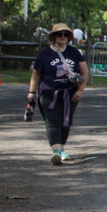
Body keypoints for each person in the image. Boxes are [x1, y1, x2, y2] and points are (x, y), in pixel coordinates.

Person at [28, 22, 88, 165]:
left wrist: (80, 91)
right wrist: (31, 92)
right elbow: (36, 73)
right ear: (53, 37)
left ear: (69, 37)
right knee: (52, 121)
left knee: (65, 121)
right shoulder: (45, 53)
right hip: (49, 92)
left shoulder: (74, 52)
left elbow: (85, 72)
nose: (63, 36)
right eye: (59, 34)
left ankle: (62, 150)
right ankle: (56, 152)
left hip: (70, 93)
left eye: (65, 34)